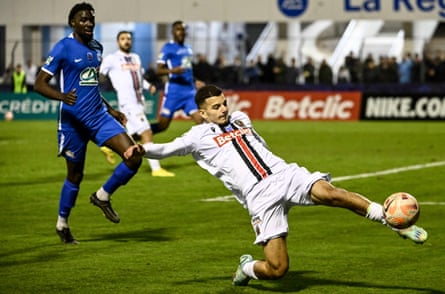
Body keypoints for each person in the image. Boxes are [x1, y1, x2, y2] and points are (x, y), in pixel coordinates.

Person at [124, 84, 428, 286]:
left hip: (285, 174)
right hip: (259, 197)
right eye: (216, 107)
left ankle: (390, 222)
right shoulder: (195, 137)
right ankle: (247, 269)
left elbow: (259, 144)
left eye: (224, 104)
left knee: (331, 193)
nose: (224, 110)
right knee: (278, 270)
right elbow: (164, 149)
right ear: (203, 113)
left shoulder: (241, 118)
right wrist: (141, 148)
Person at [34, 2, 142, 244]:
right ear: (72, 23)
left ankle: (102, 196)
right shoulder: (63, 46)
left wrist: (110, 109)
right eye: (83, 20)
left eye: (91, 19)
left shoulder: (97, 47)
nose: (89, 23)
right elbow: (39, 83)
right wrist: (62, 96)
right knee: (75, 175)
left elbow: (90, 85)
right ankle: (62, 224)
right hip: (72, 122)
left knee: (133, 156)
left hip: (98, 117)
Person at [99, 30, 174, 177]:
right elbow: (100, 73)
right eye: (123, 39)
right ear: (117, 42)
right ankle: (156, 169)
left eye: (128, 38)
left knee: (132, 136)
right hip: (128, 102)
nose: (126, 41)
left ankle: (109, 146)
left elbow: (139, 78)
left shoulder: (135, 58)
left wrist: (148, 86)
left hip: (138, 102)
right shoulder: (112, 58)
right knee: (147, 133)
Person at [150, 20, 204, 134]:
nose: (181, 32)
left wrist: (195, 80)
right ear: (173, 32)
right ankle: (136, 135)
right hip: (174, 92)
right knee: (162, 126)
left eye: (183, 30)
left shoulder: (188, 48)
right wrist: (173, 70)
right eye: (178, 29)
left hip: (189, 92)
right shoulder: (168, 48)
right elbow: (158, 70)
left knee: (201, 121)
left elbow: (187, 69)